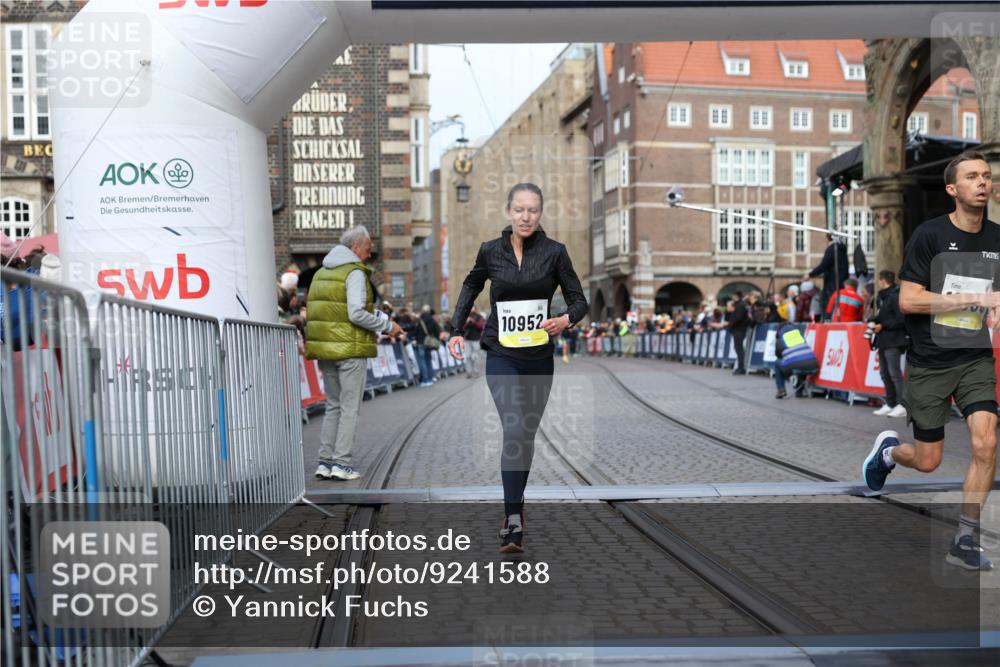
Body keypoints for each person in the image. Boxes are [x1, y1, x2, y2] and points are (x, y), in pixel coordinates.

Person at [863, 151, 999, 571]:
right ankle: (888, 454)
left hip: (975, 357)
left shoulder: (997, 238)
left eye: (986, 175)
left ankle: (965, 539)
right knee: (928, 461)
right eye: (972, 176)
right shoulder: (930, 235)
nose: (982, 182)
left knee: (986, 442)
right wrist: (975, 298)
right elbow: (909, 300)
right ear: (952, 189)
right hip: (930, 360)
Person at [446, 182, 587, 554]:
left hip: (538, 356)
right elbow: (471, 286)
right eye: (520, 209)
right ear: (509, 211)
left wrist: (566, 320)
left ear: (540, 213)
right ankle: (512, 520)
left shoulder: (555, 253)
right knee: (513, 426)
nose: (526, 216)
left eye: (533, 210)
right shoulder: (490, 251)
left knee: (525, 434)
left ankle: (516, 500)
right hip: (501, 353)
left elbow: (579, 300)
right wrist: (456, 329)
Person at [306, 225, 402, 481]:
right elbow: (356, 313)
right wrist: (388, 326)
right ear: (356, 247)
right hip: (350, 349)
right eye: (368, 249)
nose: (369, 255)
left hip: (325, 350)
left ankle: (325, 462)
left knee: (333, 406)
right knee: (349, 408)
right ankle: (341, 463)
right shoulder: (354, 272)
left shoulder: (320, 273)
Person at [871, 270, 907, 418]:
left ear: (882, 280)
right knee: (884, 373)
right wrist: (873, 321)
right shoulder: (882, 297)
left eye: (878, 280)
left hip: (893, 339)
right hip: (883, 340)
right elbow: (883, 316)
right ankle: (891, 403)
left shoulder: (895, 295)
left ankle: (902, 404)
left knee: (894, 373)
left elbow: (901, 320)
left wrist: (883, 325)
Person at [804, 234, 849, 321]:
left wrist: (810, 274)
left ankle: (828, 320)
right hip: (840, 283)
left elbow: (824, 264)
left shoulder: (832, 249)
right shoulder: (843, 251)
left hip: (831, 284)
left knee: (828, 306)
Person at [772, 324, 818, 399]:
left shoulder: (781, 338)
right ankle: (799, 392)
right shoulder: (800, 335)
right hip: (813, 365)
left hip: (796, 366)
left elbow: (778, 355)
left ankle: (781, 390)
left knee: (777, 363)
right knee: (801, 362)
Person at [415, 304, 443, 386]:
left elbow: (416, 331)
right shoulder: (432, 320)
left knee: (422, 361)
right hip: (429, 342)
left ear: (422, 311)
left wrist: (416, 339)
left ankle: (425, 379)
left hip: (421, 342)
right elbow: (437, 331)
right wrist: (434, 338)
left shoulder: (420, 320)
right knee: (428, 361)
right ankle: (430, 379)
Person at [726, 291, 751, 373]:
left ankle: (741, 368)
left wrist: (731, 325)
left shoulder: (741, 305)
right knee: (738, 348)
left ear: (736, 296)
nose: (732, 298)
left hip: (739, 329)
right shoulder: (739, 305)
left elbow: (739, 318)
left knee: (739, 348)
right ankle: (740, 367)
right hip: (738, 329)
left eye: (733, 296)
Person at [463, 307, 485, 378]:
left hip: (476, 339)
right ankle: (469, 372)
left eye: (472, 309)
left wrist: (474, 321)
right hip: (467, 340)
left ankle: (476, 371)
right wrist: (467, 322)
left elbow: (480, 326)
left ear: (475, 310)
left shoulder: (480, 317)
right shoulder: (465, 316)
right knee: (468, 356)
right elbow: (462, 327)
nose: (471, 310)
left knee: (475, 357)